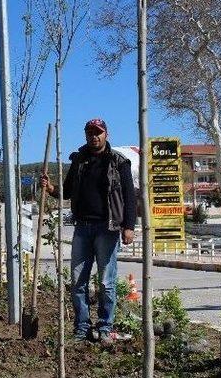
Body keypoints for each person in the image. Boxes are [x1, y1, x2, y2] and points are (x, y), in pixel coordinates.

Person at [41, 118, 137, 343]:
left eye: (98, 132)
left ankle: (105, 327)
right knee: (77, 282)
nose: (94, 136)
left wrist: (129, 226)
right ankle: (82, 328)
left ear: (106, 134)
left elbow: (130, 197)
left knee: (106, 282)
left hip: (108, 228)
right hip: (82, 229)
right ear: (85, 135)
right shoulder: (79, 160)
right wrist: (51, 187)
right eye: (90, 132)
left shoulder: (118, 162)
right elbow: (67, 191)